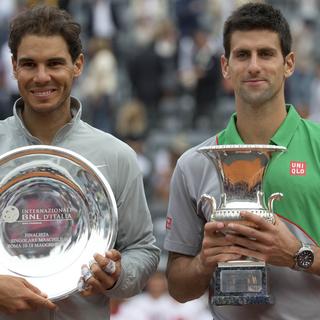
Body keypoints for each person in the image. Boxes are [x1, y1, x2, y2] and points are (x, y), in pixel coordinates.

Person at [0, 5, 160, 319]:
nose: (42, 76)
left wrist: (115, 275)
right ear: (14, 67)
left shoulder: (116, 155)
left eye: (55, 63)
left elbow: (144, 250)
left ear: (78, 65)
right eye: (29, 64)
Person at [164, 3, 320, 320]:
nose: (253, 66)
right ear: (225, 65)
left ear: (289, 63)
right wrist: (203, 261)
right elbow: (179, 289)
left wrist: (296, 255)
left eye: (266, 54)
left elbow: (298, 255)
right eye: (242, 55)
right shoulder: (193, 164)